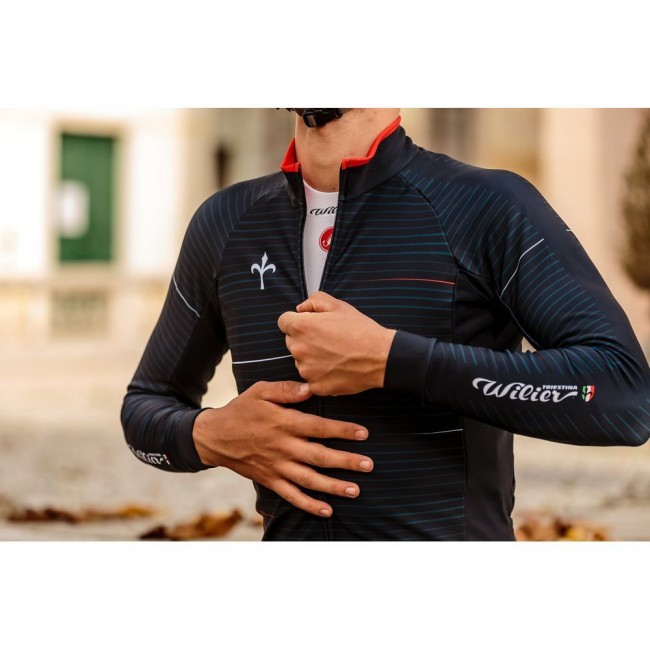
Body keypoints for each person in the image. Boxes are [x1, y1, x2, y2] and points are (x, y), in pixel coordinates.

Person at [121, 108, 650, 541]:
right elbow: (145, 406)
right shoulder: (225, 222)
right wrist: (209, 435)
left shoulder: (485, 205)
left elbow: (625, 396)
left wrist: (395, 360)